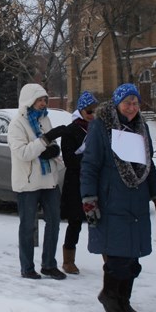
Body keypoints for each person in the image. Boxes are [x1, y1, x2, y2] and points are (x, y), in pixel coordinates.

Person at [81, 83, 156, 312]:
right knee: (118, 258)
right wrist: (89, 200)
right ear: (117, 103)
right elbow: (89, 166)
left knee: (132, 259)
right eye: (127, 102)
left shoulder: (141, 128)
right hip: (112, 201)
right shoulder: (101, 127)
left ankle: (124, 300)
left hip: (137, 202)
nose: (131, 107)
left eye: (135, 103)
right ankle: (110, 295)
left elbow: (149, 167)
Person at [8, 83, 67, 281]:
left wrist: (55, 150)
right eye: (39, 100)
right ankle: (27, 267)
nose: (43, 103)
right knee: (27, 226)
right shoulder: (17, 124)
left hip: (48, 180)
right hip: (28, 183)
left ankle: (49, 265)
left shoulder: (45, 120)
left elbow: (51, 145)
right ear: (29, 101)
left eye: (45, 100)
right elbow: (23, 153)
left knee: (54, 223)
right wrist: (45, 141)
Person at [59, 91, 98, 275]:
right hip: (76, 183)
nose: (93, 115)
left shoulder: (99, 129)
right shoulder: (70, 131)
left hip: (96, 182)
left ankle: (108, 258)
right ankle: (68, 260)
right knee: (75, 222)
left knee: (99, 220)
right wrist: (90, 161)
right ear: (81, 111)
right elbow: (69, 160)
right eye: (89, 111)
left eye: (95, 111)